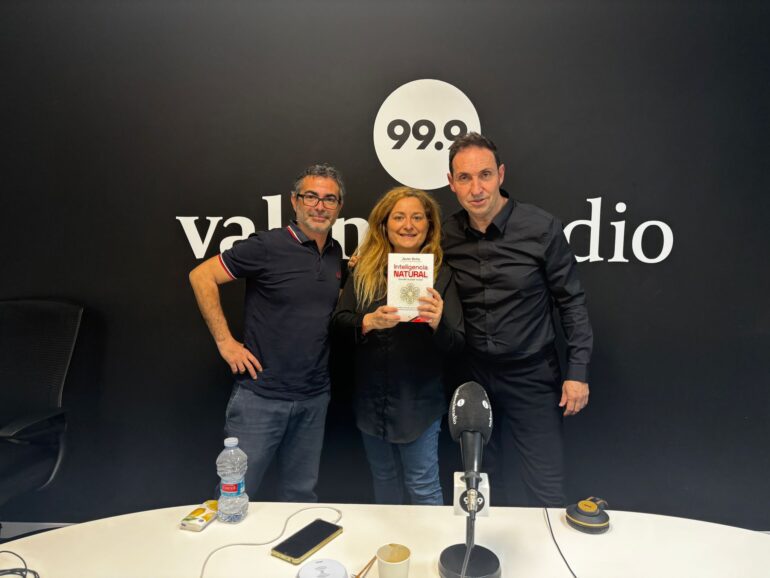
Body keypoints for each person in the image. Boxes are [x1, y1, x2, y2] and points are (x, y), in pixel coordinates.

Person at [443, 133, 593, 507]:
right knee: (479, 484)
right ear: (451, 183)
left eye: (485, 175)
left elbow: (571, 301)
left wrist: (577, 370)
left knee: (546, 485)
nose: (476, 188)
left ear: (501, 174)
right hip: (472, 374)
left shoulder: (541, 227)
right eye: (464, 178)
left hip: (533, 375)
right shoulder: (445, 234)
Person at [188, 164, 345, 502]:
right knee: (235, 496)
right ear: (295, 201)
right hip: (260, 398)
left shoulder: (335, 254)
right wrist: (225, 342)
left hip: (314, 398)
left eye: (329, 199)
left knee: (301, 495)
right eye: (311, 197)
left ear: (339, 207)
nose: (320, 206)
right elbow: (201, 276)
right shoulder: (267, 246)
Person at [332, 186, 464, 505]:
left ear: (429, 225)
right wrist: (367, 322)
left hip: (418, 404)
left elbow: (458, 343)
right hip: (371, 401)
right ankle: (391, 538)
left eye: (417, 217)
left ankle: (428, 540)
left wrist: (438, 323)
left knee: (423, 485)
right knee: (384, 479)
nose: (408, 225)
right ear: (384, 224)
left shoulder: (442, 273)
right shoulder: (363, 269)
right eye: (399, 217)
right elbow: (338, 323)